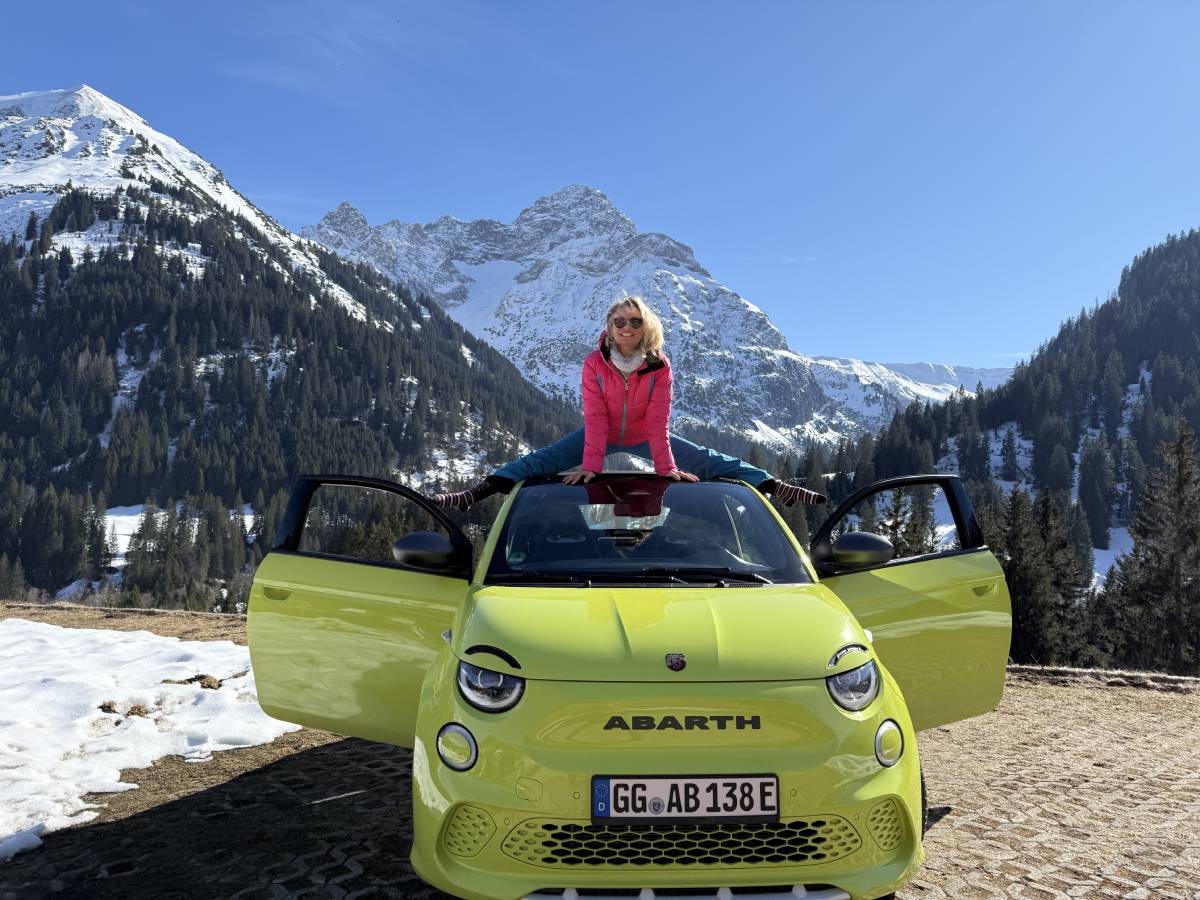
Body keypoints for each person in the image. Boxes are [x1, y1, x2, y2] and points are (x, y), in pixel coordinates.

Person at [433, 295, 826, 510]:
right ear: (609, 327)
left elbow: (658, 420)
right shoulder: (594, 363)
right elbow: (596, 416)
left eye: (634, 322)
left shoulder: (659, 366)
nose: (625, 327)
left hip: (643, 435)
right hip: (598, 436)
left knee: (713, 462)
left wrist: (666, 467)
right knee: (536, 462)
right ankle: (475, 493)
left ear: (646, 327)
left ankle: (777, 487)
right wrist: (591, 465)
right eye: (618, 322)